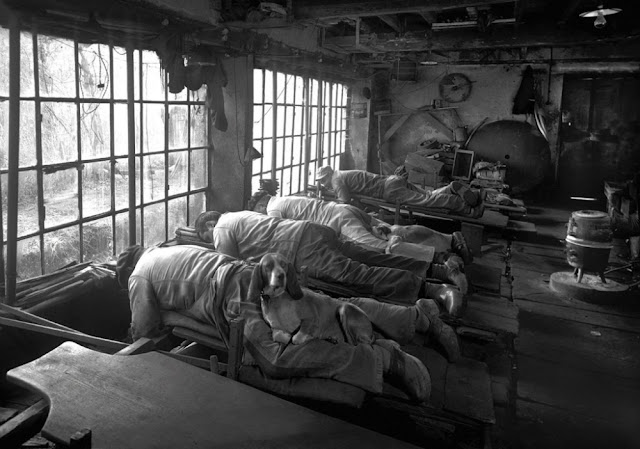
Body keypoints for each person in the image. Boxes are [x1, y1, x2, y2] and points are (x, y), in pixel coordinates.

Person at [117, 244, 461, 402]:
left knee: (274, 360)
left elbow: (145, 332)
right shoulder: (167, 251)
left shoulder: (139, 275)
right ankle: (414, 319)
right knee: (326, 306)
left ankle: (380, 360)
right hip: (246, 272)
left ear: (128, 269)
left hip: (234, 293)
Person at [195, 210, 469, 301]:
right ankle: (439, 270)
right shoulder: (239, 214)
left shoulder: (221, 228)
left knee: (356, 274)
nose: (211, 240)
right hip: (311, 229)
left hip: (299, 248)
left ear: (209, 224)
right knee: (371, 256)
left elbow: (230, 265)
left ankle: (432, 290)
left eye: (206, 237)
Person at [248, 191, 472, 265]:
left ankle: (441, 258)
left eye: (258, 210)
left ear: (260, 204)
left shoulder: (272, 208)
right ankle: (450, 239)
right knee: (395, 230)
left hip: (339, 221)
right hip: (344, 209)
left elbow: (281, 231)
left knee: (380, 248)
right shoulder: (285, 198)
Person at [316, 165, 485, 218]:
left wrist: (329, 203)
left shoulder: (336, 180)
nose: (323, 184)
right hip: (392, 180)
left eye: (323, 180)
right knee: (427, 195)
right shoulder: (342, 173)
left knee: (427, 202)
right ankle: (451, 189)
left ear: (328, 174)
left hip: (388, 191)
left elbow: (344, 202)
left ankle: (468, 210)